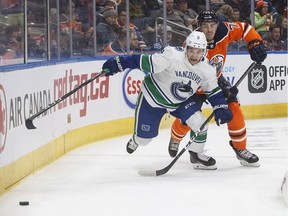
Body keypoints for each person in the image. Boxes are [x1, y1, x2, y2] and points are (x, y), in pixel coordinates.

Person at [102, 31, 233, 168]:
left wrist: (220, 106)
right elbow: (142, 61)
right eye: (192, 51)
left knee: (200, 123)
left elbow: (212, 90)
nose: (194, 55)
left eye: (198, 51)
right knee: (144, 140)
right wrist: (119, 63)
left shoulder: (207, 68)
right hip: (152, 99)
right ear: (186, 48)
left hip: (180, 103)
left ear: (204, 51)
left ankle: (196, 154)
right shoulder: (171, 55)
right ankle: (136, 139)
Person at [168, 9, 267, 169]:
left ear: (217, 25)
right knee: (190, 118)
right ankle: (177, 139)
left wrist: (254, 42)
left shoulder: (224, 31)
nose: (209, 29)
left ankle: (240, 148)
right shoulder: (192, 43)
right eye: (205, 26)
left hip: (216, 79)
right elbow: (187, 71)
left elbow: (245, 29)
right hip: (194, 83)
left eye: (213, 25)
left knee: (233, 107)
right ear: (199, 26)